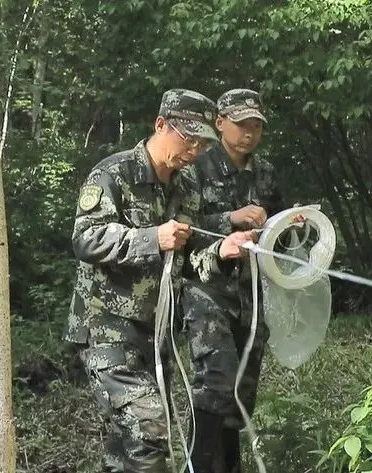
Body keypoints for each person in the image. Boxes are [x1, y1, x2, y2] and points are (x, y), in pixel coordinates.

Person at [63, 88, 257, 473]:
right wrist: (152, 238)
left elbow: (189, 256)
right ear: (160, 125)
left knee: (126, 451)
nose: (194, 151)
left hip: (155, 336)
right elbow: (85, 237)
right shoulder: (113, 173)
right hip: (106, 331)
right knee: (149, 434)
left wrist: (221, 251)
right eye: (188, 138)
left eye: (203, 144)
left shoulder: (184, 189)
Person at [177, 89, 286, 473]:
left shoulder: (266, 172)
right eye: (242, 125)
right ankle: (199, 465)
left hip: (250, 292)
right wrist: (230, 220)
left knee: (240, 391)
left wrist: (288, 225)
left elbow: (276, 225)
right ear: (220, 123)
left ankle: (228, 465)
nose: (250, 134)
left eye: (257, 126)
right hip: (207, 286)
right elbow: (180, 227)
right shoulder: (194, 168)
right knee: (217, 377)